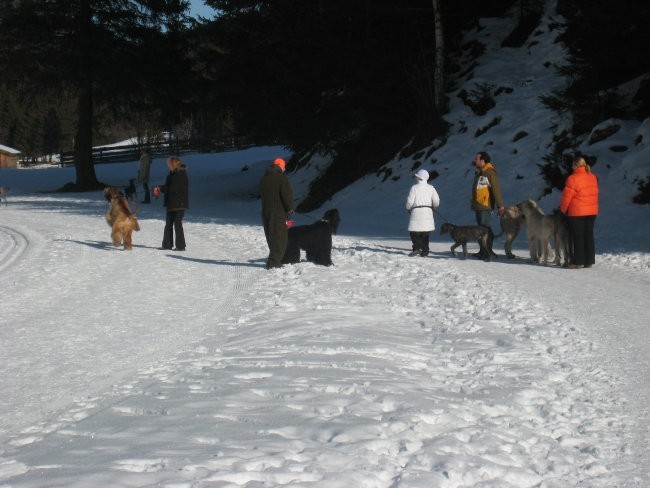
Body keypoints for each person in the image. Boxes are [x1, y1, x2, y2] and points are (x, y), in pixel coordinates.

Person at [560, 155, 599, 269]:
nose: (571, 167)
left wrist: (563, 210)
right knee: (588, 235)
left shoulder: (572, 178)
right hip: (592, 211)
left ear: (576, 165)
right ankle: (589, 260)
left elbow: (567, 197)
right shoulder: (592, 176)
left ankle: (577, 261)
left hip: (577, 211)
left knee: (578, 237)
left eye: (572, 164)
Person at [260, 157, 294, 269]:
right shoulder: (281, 178)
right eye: (284, 167)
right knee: (280, 237)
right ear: (280, 166)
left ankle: (275, 258)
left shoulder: (264, 178)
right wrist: (290, 208)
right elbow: (286, 195)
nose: (284, 169)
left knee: (271, 235)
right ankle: (273, 262)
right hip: (278, 212)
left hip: (266, 211)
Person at [470, 151, 505, 259]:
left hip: (485, 206)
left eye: (477, 159)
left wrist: (500, 206)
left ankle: (487, 251)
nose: (474, 160)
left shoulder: (490, 173)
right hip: (479, 205)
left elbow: (496, 190)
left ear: (483, 160)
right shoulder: (480, 172)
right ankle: (483, 251)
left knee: (485, 229)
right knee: (482, 229)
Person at [405, 169, 440, 257]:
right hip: (427, 211)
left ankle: (417, 248)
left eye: (416, 176)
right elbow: (436, 200)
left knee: (414, 232)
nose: (415, 178)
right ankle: (425, 250)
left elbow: (410, 201)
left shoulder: (414, 188)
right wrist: (434, 206)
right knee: (425, 233)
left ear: (419, 177)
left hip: (416, 212)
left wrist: (408, 208)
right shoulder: (431, 188)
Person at [157, 156, 189, 251]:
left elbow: (173, 188)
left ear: (173, 164)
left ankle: (181, 246)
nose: (168, 166)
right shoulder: (172, 174)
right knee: (169, 223)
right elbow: (169, 186)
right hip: (172, 203)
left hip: (179, 203)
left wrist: (162, 189)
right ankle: (167, 244)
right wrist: (160, 188)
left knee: (177, 224)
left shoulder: (180, 174)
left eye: (169, 164)